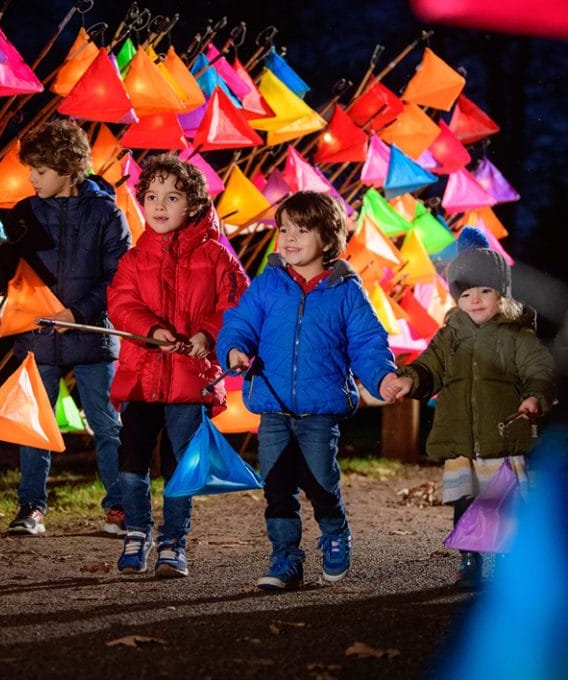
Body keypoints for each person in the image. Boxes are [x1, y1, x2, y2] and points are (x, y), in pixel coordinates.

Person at [217, 190, 400, 590]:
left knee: (320, 482)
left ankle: (335, 531)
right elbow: (240, 323)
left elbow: (367, 342)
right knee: (277, 486)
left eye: (302, 230)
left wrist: (383, 377)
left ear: (328, 237)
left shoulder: (345, 290)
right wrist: (234, 349)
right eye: (284, 230)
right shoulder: (269, 284)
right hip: (273, 406)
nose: (290, 238)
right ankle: (286, 557)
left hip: (320, 409)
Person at [380, 230, 556, 589]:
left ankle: (507, 564)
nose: (475, 300)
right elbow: (429, 366)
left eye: (485, 291)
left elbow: (539, 370)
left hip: (502, 438)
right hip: (462, 439)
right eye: (466, 293)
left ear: (501, 293)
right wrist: (410, 379)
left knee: (504, 503)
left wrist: (535, 396)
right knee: (465, 503)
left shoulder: (516, 335)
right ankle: (469, 559)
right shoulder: (450, 336)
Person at [106, 154, 248, 577]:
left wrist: (207, 335)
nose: (159, 206)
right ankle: (137, 531)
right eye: (151, 196)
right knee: (131, 457)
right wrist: (150, 329)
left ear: (194, 204)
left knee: (180, 462)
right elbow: (121, 303)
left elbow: (236, 305)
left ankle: (173, 540)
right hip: (142, 373)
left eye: (172, 197)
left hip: (190, 377)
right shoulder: (135, 258)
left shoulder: (218, 257)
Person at [2, 118, 131, 537]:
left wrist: (78, 314)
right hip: (38, 335)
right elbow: (9, 271)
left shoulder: (107, 214)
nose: (32, 179)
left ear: (68, 168)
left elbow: (119, 277)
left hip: (93, 334)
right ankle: (31, 507)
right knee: (34, 423)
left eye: (40, 171)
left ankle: (121, 507)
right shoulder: (25, 213)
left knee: (107, 425)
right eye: (31, 170)